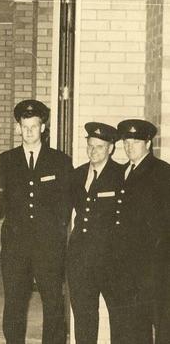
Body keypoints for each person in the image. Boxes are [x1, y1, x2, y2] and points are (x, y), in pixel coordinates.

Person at [0, 100, 72, 344]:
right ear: (18, 128)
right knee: (15, 301)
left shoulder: (59, 161)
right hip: (16, 245)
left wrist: (57, 236)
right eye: (24, 126)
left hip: (48, 244)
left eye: (34, 126)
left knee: (52, 300)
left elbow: (66, 203)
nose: (29, 131)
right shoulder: (6, 160)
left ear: (43, 127)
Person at [67, 122, 135, 344]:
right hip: (80, 257)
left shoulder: (122, 175)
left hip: (111, 258)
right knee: (84, 315)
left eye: (99, 146)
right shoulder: (76, 175)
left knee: (120, 315)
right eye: (90, 146)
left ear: (110, 149)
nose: (93, 151)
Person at [117, 119, 170, 343]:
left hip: (153, 264)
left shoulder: (162, 172)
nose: (130, 147)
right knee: (136, 323)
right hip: (129, 264)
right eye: (126, 142)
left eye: (135, 142)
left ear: (148, 143)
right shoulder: (122, 172)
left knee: (161, 320)